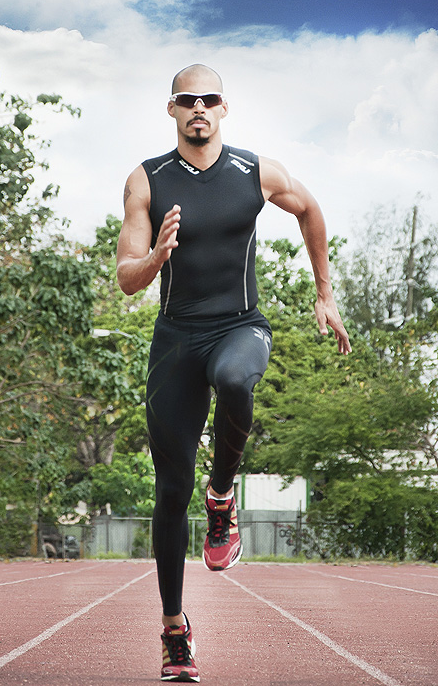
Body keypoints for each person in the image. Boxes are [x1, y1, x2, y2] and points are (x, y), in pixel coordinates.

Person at [116, 64, 351, 683]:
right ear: (171, 110)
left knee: (236, 380)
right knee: (170, 491)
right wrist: (157, 256)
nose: (199, 108)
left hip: (239, 326)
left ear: (224, 109)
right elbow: (126, 277)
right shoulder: (147, 181)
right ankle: (174, 630)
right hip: (174, 339)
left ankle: (223, 498)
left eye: (209, 99)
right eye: (187, 100)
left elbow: (311, 211)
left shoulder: (255, 171)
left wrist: (324, 295)